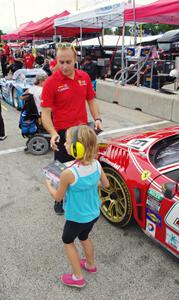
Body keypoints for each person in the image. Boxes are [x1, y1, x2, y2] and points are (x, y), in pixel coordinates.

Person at [41, 45, 102, 215]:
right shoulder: (51, 82)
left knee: (85, 163)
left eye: (69, 62)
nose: (65, 66)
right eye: (61, 62)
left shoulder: (84, 77)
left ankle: (85, 195)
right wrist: (53, 133)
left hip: (82, 131)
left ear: (76, 60)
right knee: (62, 167)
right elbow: (45, 113)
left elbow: (91, 100)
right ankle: (59, 200)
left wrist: (97, 119)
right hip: (62, 132)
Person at [46, 125, 109, 288]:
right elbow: (106, 184)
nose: (64, 145)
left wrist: (48, 184)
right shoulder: (96, 164)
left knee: (67, 241)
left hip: (77, 217)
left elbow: (58, 197)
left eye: (67, 142)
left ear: (77, 148)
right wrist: (89, 186)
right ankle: (90, 264)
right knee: (84, 237)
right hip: (94, 213)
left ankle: (77, 277)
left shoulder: (69, 173)